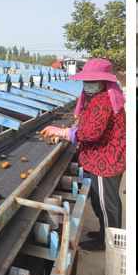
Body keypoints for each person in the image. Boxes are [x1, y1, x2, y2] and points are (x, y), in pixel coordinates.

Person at [42, 58, 124, 251]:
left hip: (107, 159)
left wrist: (64, 132)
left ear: (104, 81)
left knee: (107, 203)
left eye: (92, 80)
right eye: (86, 80)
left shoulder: (103, 101)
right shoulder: (98, 97)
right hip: (101, 157)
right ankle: (104, 232)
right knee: (99, 199)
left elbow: (92, 132)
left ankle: (109, 242)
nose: (88, 84)